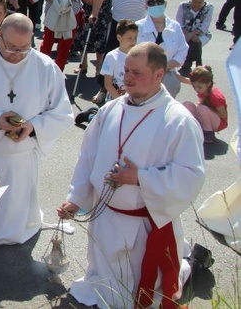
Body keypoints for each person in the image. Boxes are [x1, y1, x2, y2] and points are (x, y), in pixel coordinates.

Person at [58, 42, 205, 309]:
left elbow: (191, 175)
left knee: (150, 288)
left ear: (159, 74)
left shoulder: (178, 121)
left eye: (137, 72)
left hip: (143, 227)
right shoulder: (109, 110)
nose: (127, 77)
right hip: (106, 216)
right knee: (103, 281)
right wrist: (76, 198)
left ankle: (192, 263)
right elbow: (88, 157)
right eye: (126, 70)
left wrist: (141, 178)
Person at [0, 14, 73, 247]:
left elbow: (62, 112)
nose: (17, 54)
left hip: (23, 154)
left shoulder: (45, 66)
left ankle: (20, 226)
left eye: (24, 48)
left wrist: (33, 126)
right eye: (11, 47)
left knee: (18, 209)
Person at [89, 0, 162, 104]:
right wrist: (95, 13)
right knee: (112, 56)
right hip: (119, 22)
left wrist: (158, 19)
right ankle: (103, 89)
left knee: (142, 59)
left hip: (141, 23)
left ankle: (142, 91)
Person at [136, 0, 188, 98]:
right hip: (144, 78)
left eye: (159, 1)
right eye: (151, 3)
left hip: (169, 78)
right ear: (146, 6)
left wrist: (164, 69)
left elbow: (182, 50)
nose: (156, 5)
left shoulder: (175, 26)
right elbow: (132, 53)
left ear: (165, 4)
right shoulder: (137, 27)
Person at [182, 65, 228, 144]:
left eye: (199, 87)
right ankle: (193, 128)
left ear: (208, 84)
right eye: (194, 87)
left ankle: (208, 134)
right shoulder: (203, 88)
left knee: (201, 109)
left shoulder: (216, 96)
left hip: (219, 122)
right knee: (187, 105)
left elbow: (223, 115)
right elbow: (187, 81)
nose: (196, 89)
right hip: (207, 114)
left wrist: (204, 109)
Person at [176, 0, 213, 76]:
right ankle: (190, 62)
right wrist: (186, 34)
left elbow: (205, 25)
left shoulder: (209, 8)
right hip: (184, 32)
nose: (196, 4)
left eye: (199, 2)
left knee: (196, 42)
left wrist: (192, 34)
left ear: (204, 0)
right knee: (192, 42)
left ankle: (197, 64)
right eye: (194, 1)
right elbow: (179, 22)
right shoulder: (183, 6)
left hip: (201, 34)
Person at [101, 19, 138, 103]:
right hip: (115, 101)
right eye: (129, 38)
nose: (133, 41)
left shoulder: (139, 56)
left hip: (134, 100)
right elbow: (108, 84)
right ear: (119, 37)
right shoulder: (111, 56)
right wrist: (120, 101)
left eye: (135, 37)